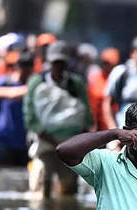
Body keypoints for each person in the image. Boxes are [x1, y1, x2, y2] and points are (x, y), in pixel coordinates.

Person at [23, 41, 92, 197]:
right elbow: (30, 117)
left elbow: (86, 115)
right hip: (44, 143)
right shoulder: (37, 83)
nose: (59, 67)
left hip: (69, 144)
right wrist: (53, 141)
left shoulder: (76, 84)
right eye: (55, 63)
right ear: (49, 63)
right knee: (41, 184)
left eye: (62, 63)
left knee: (69, 189)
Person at [0, 51, 33, 167]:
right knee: (1, 177)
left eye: (28, 72)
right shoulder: (4, 82)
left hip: (24, 141)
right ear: (17, 68)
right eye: (24, 71)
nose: (25, 75)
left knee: (22, 178)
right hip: (2, 140)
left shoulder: (32, 85)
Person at [88, 47, 121, 130]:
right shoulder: (96, 79)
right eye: (104, 63)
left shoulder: (120, 79)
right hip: (100, 129)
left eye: (109, 63)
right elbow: (92, 106)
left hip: (117, 125)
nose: (106, 66)